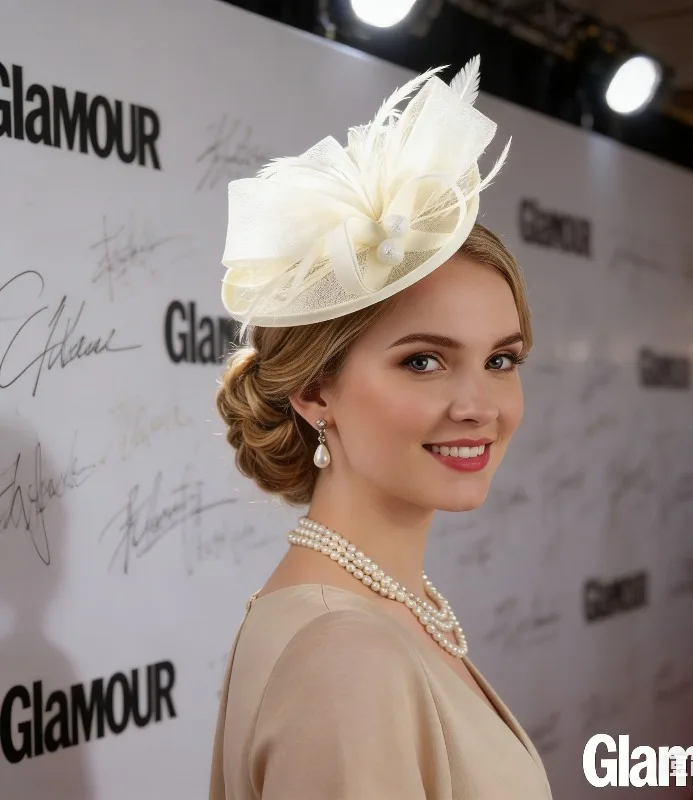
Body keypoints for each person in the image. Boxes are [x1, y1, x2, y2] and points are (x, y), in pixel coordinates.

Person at [208, 58, 553, 799]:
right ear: (311, 390)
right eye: (424, 360)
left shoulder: (369, 613)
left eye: (501, 359)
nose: (479, 406)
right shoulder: (346, 653)